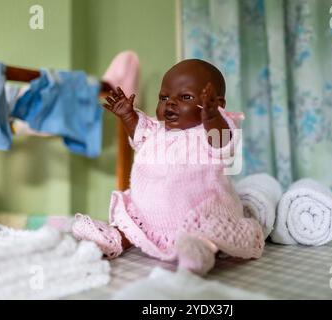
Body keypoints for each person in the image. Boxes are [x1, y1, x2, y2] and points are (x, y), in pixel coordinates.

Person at [72, 59, 263, 275]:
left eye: (185, 97)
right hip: (149, 212)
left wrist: (212, 117)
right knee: (131, 221)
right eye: (164, 97)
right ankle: (114, 238)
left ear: (217, 104)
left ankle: (199, 252)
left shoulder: (208, 133)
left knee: (208, 234)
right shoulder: (156, 130)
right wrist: (128, 115)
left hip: (199, 212)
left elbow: (223, 142)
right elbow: (139, 134)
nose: (170, 103)